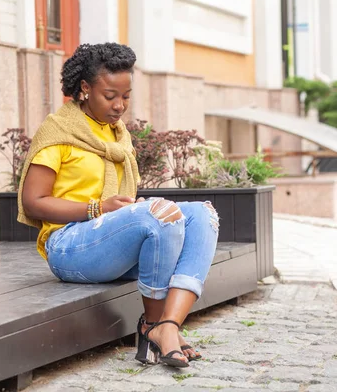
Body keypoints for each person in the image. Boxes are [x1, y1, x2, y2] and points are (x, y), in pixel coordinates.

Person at [18, 42, 219, 368]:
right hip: (68, 245)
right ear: (85, 88)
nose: (119, 105)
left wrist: (123, 210)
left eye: (125, 96)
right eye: (110, 96)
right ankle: (152, 327)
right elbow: (34, 201)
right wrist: (99, 208)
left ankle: (168, 325)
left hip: (109, 244)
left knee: (201, 214)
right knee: (157, 215)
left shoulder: (117, 135)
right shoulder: (58, 131)